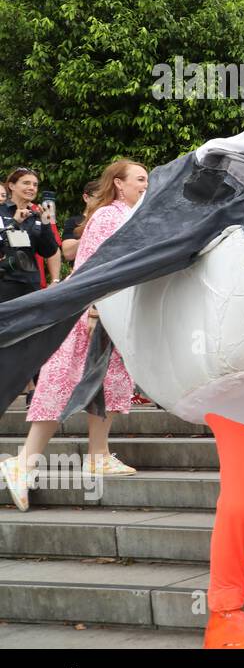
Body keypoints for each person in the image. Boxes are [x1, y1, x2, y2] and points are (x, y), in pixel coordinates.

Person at [0, 161, 149, 512]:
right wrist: (95, 306)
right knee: (62, 383)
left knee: (107, 382)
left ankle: (98, 455)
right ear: (119, 183)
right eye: (140, 179)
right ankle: (23, 461)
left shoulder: (125, 216)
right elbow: (92, 265)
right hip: (90, 312)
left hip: (109, 311)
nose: (146, 185)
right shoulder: (107, 217)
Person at [0, 168, 60, 304]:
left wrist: (45, 222)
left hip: (30, 284)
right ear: (12, 186)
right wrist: (14, 223)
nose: (31, 188)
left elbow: (49, 251)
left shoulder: (35, 216)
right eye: (26, 183)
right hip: (4, 283)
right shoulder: (1, 210)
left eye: (35, 185)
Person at [59, 181, 98, 263]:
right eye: (99, 198)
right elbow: (68, 253)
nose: (104, 202)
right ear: (86, 198)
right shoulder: (74, 222)